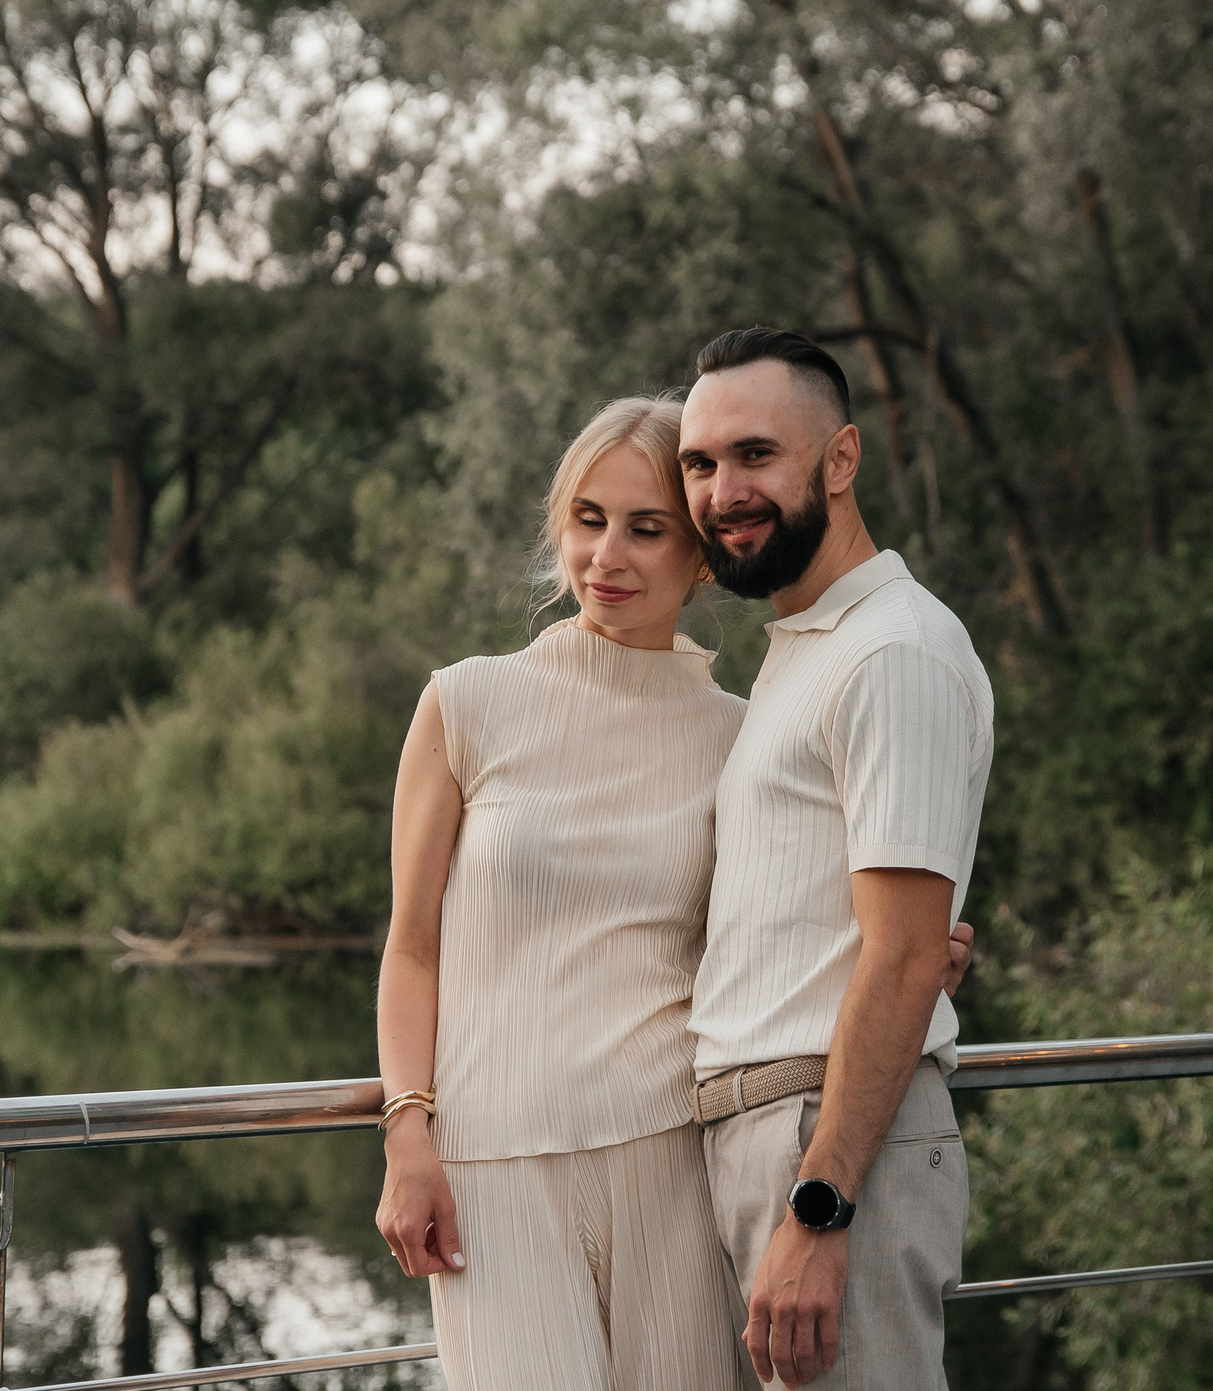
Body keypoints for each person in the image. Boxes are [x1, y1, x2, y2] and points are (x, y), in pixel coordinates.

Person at [372, 393, 971, 1391]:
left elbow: (801, 920)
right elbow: (412, 945)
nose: (607, 558)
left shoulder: (744, 731)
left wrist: (933, 951)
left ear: (700, 557)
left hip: (677, 1163)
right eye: (587, 521)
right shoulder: (466, 703)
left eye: (647, 529)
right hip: (492, 1169)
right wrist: (407, 1129)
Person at [678, 328, 994, 1391]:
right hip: (775, 1136)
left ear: (841, 460)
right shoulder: (807, 647)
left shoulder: (889, 652)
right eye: (700, 463)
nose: (724, 490)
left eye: (756, 455)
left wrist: (820, 1208)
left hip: (826, 1145)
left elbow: (904, 961)